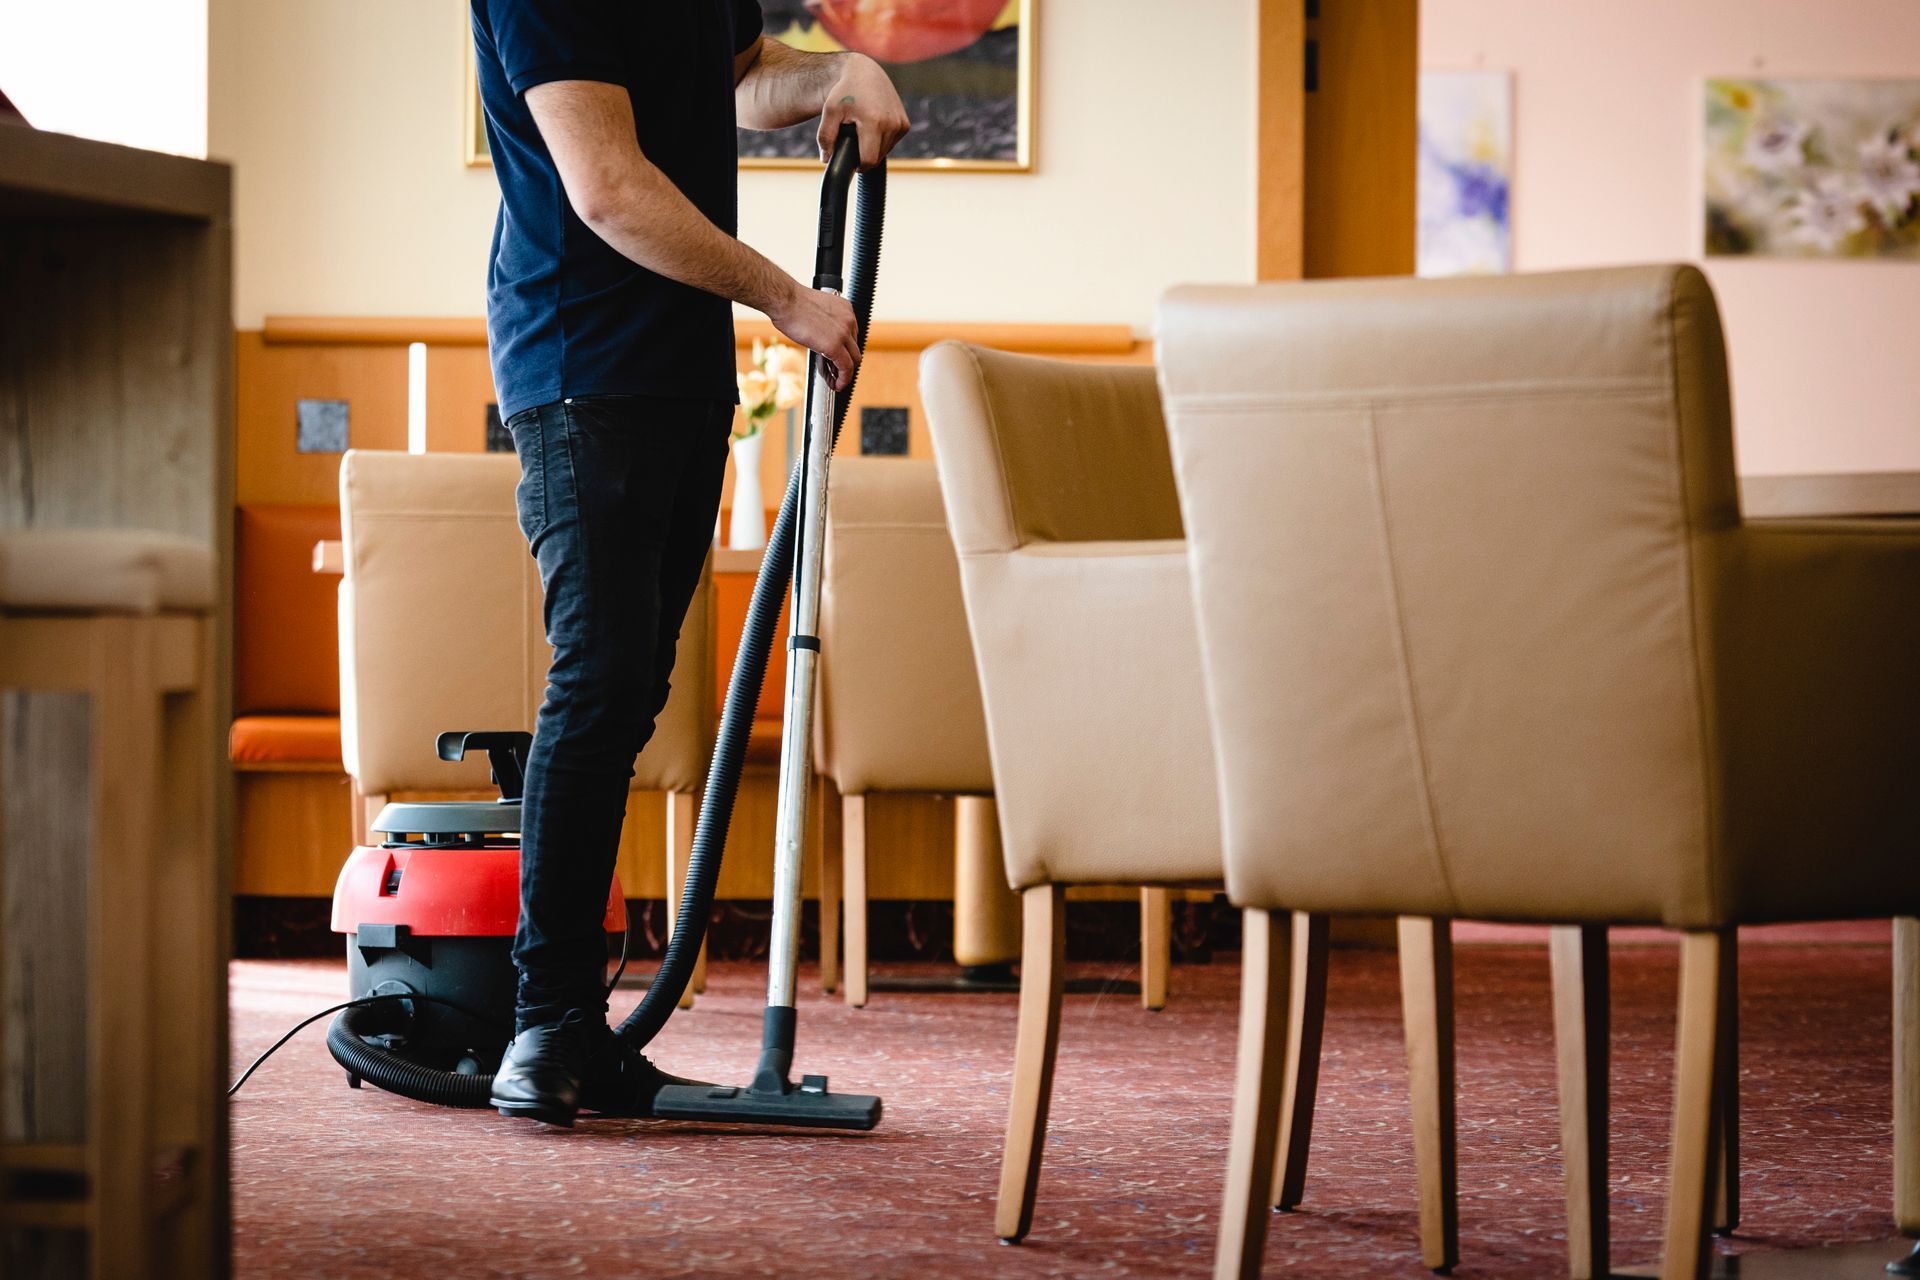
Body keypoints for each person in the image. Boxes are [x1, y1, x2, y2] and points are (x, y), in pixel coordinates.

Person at [468, 0, 909, 1127]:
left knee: (631, 688)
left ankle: (572, 1028)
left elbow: (743, 76)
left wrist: (839, 74)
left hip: (677, 371)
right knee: (602, 674)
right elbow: (605, 184)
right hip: (578, 365)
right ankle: (545, 1023)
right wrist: (786, 299)